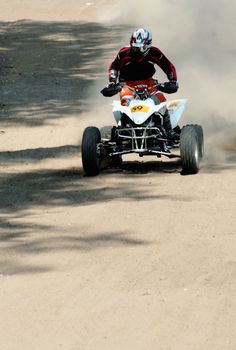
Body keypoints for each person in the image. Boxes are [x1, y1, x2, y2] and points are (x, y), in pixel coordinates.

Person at [107, 28, 179, 139]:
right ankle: (122, 129)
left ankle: (168, 130)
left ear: (148, 45)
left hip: (149, 83)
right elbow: (114, 67)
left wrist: (173, 81)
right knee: (126, 102)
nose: (138, 50)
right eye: (135, 47)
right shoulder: (123, 53)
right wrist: (112, 82)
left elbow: (168, 66)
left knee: (161, 99)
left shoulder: (155, 53)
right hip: (127, 84)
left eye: (141, 47)